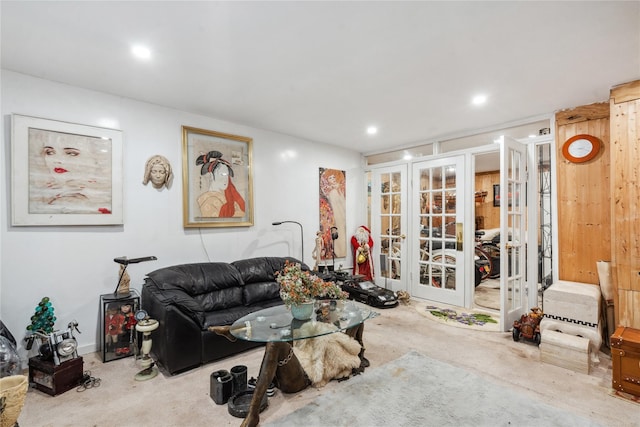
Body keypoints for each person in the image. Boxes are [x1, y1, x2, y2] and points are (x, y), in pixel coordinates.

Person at [209, 321, 368, 427]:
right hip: (298, 359)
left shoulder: (346, 343)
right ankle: (234, 331)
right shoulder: (323, 326)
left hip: (303, 377)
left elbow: (357, 348)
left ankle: (253, 413)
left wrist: (359, 351)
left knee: (274, 343)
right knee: (282, 327)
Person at [30, 128, 112, 214]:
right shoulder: (44, 194)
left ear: (97, 159)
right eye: (50, 152)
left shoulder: (98, 198)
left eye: (71, 153)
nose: (57, 160)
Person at [196, 150, 245, 218]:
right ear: (212, 176)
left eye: (226, 175)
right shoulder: (208, 200)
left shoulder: (228, 198)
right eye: (222, 174)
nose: (225, 179)